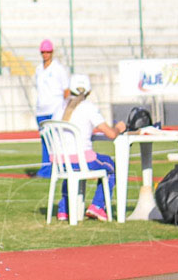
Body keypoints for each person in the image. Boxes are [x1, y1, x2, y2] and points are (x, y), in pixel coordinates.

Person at [50, 74, 125, 221]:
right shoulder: (88, 108)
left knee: (71, 170)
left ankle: (64, 210)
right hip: (82, 159)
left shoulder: (58, 108)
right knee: (111, 166)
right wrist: (118, 128)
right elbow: (111, 134)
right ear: (89, 92)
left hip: (60, 162)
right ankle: (97, 206)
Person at [34, 39, 71, 178]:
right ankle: (46, 169)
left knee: (56, 140)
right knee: (45, 140)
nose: (45, 54)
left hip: (55, 108)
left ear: (52, 52)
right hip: (41, 110)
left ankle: (60, 167)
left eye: (48, 52)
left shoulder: (58, 69)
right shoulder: (38, 69)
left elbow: (66, 90)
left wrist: (65, 109)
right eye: (43, 52)